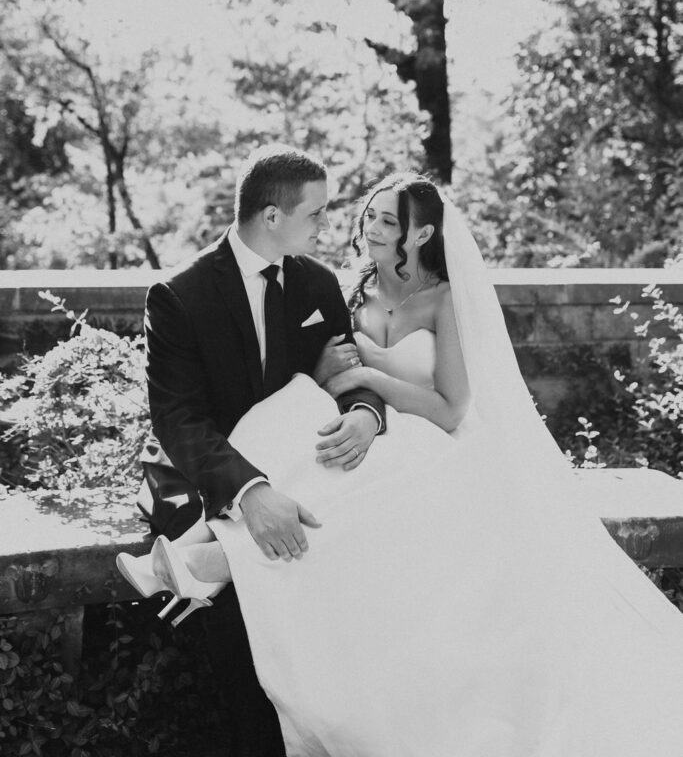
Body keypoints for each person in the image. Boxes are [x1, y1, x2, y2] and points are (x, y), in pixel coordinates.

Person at [121, 172, 683, 756]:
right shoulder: (340, 287)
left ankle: (209, 559)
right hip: (319, 448)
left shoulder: (433, 295)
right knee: (324, 459)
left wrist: (365, 392)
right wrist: (338, 394)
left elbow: (449, 406)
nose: (359, 226)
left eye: (387, 220)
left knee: (369, 505)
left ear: (422, 235)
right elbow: (284, 388)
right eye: (361, 215)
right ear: (271, 217)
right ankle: (205, 551)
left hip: (432, 438)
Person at [122, 145, 386, 757]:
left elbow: (354, 374)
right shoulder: (180, 294)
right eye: (316, 214)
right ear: (272, 216)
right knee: (252, 648)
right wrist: (251, 493)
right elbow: (179, 419)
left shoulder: (318, 283)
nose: (326, 226)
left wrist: (367, 416)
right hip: (217, 484)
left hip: (309, 479)